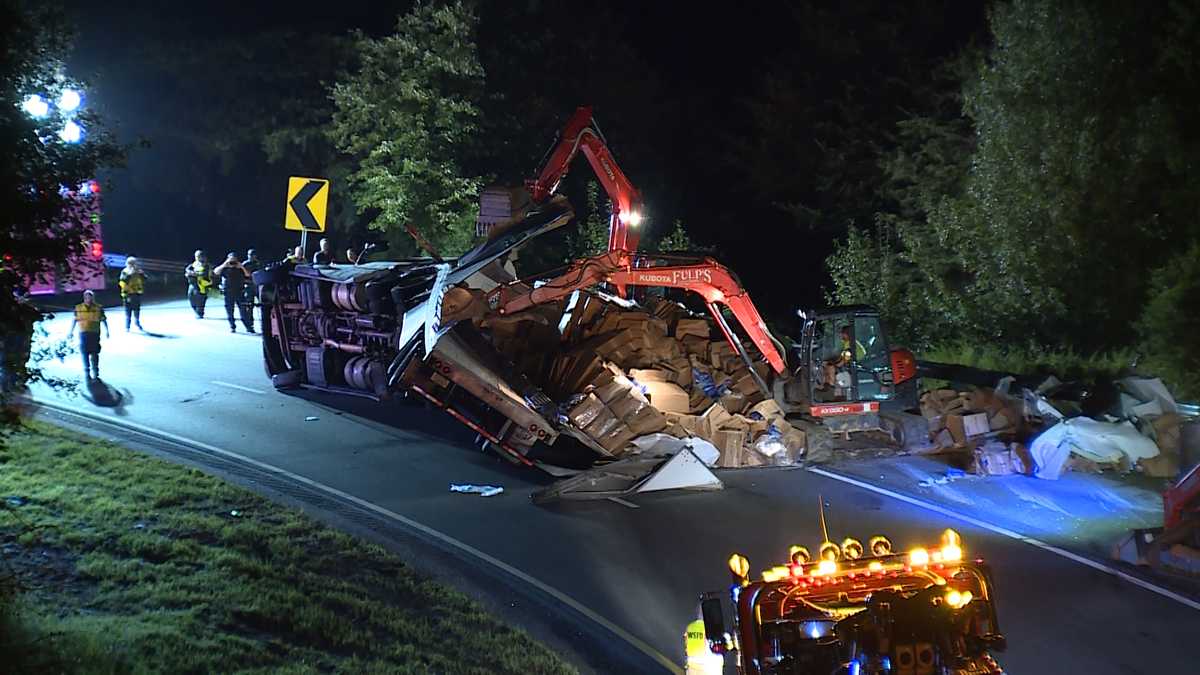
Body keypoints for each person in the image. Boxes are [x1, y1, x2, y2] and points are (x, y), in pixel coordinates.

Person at [67, 289, 109, 380]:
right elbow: (74, 320)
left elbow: (104, 319)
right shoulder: (78, 308)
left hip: (94, 333)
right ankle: (86, 370)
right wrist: (70, 332)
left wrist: (107, 331)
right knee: (84, 353)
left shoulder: (98, 308)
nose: (88, 299)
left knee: (95, 353)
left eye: (90, 297)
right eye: (86, 297)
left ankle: (95, 370)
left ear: (93, 298)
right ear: (84, 298)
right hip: (83, 333)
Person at [213, 251, 253, 333]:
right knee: (230, 310)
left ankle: (248, 327)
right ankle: (232, 326)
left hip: (239, 291)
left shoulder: (240, 267)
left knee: (243, 310)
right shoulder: (225, 267)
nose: (233, 262)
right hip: (228, 291)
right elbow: (215, 272)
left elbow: (248, 275)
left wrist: (241, 266)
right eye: (231, 259)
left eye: (234, 259)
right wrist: (225, 264)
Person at [822, 325, 866, 391]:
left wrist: (834, 364)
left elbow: (844, 360)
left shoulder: (851, 344)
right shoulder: (849, 342)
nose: (841, 336)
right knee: (829, 364)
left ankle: (829, 388)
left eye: (842, 334)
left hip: (856, 367)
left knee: (830, 367)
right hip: (853, 365)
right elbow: (843, 356)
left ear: (847, 334)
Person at [118, 256, 146, 331]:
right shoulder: (125, 271)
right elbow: (122, 282)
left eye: (134, 263)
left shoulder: (138, 271)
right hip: (128, 294)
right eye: (132, 263)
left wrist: (141, 274)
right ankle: (127, 326)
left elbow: (145, 279)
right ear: (128, 263)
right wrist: (130, 274)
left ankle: (137, 322)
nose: (133, 265)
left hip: (136, 293)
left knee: (137, 309)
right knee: (128, 310)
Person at [184, 250, 212, 319]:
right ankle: (196, 311)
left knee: (200, 300)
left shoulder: (206, 265)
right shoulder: (194, 264)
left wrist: (193, 274)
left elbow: (203, 274)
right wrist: (189, 273)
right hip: (192, 284)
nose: (197, 258)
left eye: (198, 256)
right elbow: (187, 269)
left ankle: (200, 313)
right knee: (191, 297)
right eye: (196, 256)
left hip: (202, 285)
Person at [242, 248, 262, 322]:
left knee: (262, 303)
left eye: (252, 255)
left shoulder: (258, 264)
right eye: (249, 255)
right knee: (249, 305)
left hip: (257, 286)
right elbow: (241, 276)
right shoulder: (245, 264)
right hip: (248, 286)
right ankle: (250, 322)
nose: (250, 256)